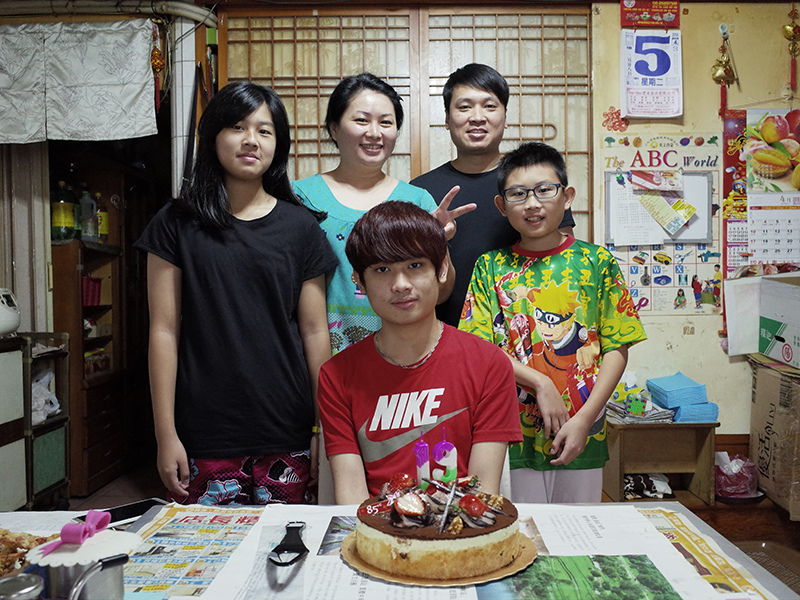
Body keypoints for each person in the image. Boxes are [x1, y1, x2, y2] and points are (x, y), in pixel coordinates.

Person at [135, 82, 338, 505]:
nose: (251, 140)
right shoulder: (176, 222)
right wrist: (164, 434)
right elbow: (164, 331)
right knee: (203, 545)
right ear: (213, 136)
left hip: (287, 427)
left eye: (265, 130)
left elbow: (315, 332)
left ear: (278, 145)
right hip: (204, 431)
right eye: (237, 127)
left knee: (286, 543)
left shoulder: (301, 228)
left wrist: (323, 429)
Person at [459, 141, 646, 504]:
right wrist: (540, 382)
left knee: (578, 530)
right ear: (502, 205)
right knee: (519, 529)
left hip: (581, 431)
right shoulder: (490, 267)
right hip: (510, 431)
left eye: (544, 190)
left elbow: (616, 347)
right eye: (518, 194)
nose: (532, 203)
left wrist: (586, 419)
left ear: (567, 196)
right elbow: (479, 349)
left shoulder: (597, 262)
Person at [318, 201, 522, 504]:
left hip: (459, 526)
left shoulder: (489, 364)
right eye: (382, 270)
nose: (400, 285)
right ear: (359, 281)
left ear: (441, 269)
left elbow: (481, 495)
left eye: (415, 266)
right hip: (374, 528)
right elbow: (351, 498)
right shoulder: (336, 375)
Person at [293, 73, 466, 354]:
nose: (374, 133)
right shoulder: (300, 197)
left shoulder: (417, 200)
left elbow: (441, 294)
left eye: (386, 122)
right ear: (334, 128)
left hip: (404, 357)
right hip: (322, 356)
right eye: (362, 120)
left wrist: (439, 243)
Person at [411, 63, 575, 327]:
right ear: (447, 119)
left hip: (528, 333)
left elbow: (564, 260)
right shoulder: (420, 191)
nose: (477, 117)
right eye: (464, 107)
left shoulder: (535, 183)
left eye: (489, 106)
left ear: (505, 117)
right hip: (443, 335)